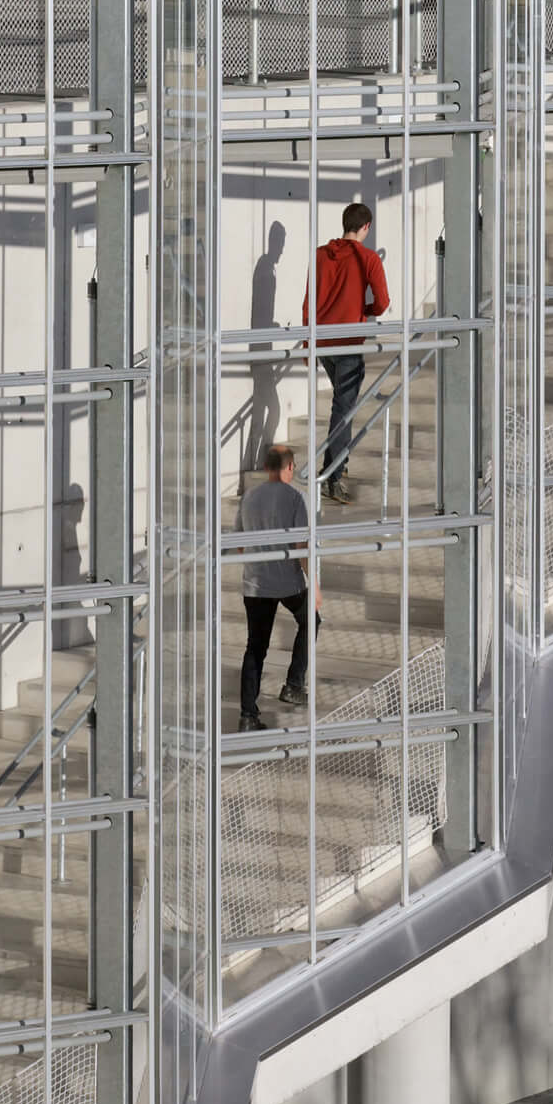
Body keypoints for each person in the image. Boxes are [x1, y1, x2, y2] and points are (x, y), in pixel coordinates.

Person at [304, 200, 389, 503]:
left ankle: (338, 464)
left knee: (342, 404)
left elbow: (309, 301)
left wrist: (307, 343)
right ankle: (332, 475)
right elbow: (382, 302)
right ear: (366, 227)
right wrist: (363, 310)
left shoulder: (319, 255)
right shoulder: (367, 259)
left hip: (323, 342)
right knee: (344, 408)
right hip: (348, 343)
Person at [237, 445, 317, 730]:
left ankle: (248, 715)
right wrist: (314, 585)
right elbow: (300, 546)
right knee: (311, 620)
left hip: (255, 583)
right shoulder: (297, 497)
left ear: (266, 467)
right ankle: (294, 685)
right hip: (287, 582)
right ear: (290, 467)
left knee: (255, 647)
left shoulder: (248, 497)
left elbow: (240, 544)